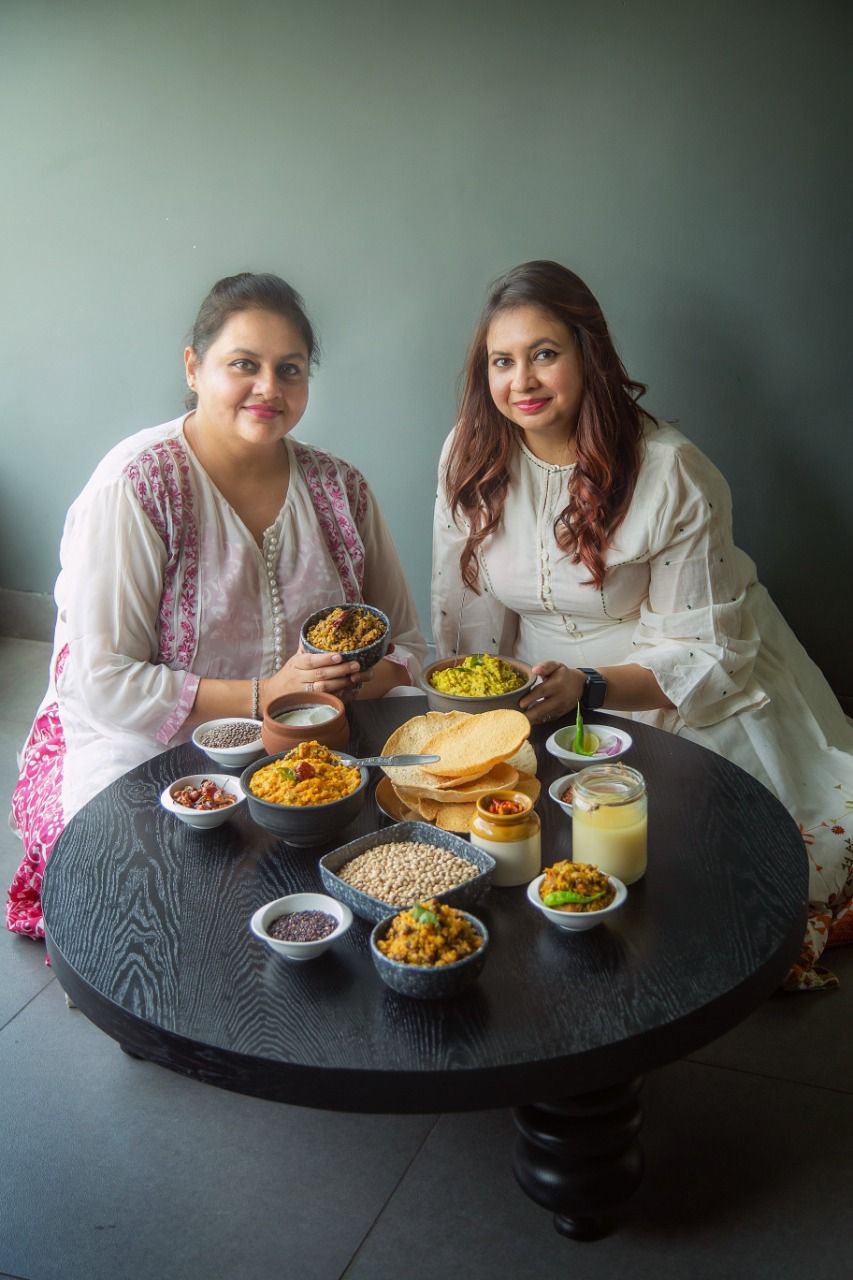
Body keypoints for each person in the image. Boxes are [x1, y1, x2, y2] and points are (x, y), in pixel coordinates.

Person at [432, 259, 853, 991]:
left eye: (544, 354)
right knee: (508, 860)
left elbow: (703, 652)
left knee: (699, 894)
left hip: (672, 688)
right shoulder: (469, 454)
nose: (521, 382)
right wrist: (479, 720)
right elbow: (466, 618)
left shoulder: (671, 470)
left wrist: (587, 688)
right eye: (502, 361)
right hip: (538, 691)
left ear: (587, 355)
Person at [8, 271, 427, 939]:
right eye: (244, 365)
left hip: (313, 739)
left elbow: (407, 642)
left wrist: (343, 687)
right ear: (193, 367)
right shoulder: (138, 484)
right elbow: (102, 683)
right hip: (150, 737)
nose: (270, 388)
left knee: (389, 878)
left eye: (289, 369)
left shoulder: (340, 487)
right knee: (155, 919)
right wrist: (269, 692)